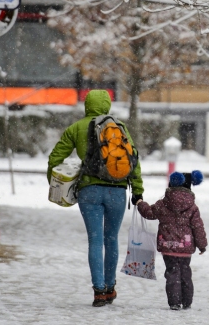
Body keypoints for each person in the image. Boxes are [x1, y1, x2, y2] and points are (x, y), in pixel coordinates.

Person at [47, 89, 144, 307]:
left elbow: (55, 158)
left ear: (87, 104)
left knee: (95, 240)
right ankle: (110, 288)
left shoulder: (77, 128)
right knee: (111, 239)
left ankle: (98, 290)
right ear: (108, 104)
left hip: (89, 191)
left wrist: (54, 185)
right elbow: (133, 160)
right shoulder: (119, 128)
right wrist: (137, 190)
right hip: (117, 192)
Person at [137, 170, 207, 311]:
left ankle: (174, 302)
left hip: (167, 246)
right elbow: (198, 226)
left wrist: (140, 203)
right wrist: (202, 245)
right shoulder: (192, 207)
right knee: (185, 273)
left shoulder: (164, 203)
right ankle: (187, 301)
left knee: (172, 272)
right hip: (186, 247)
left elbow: (149, 213)